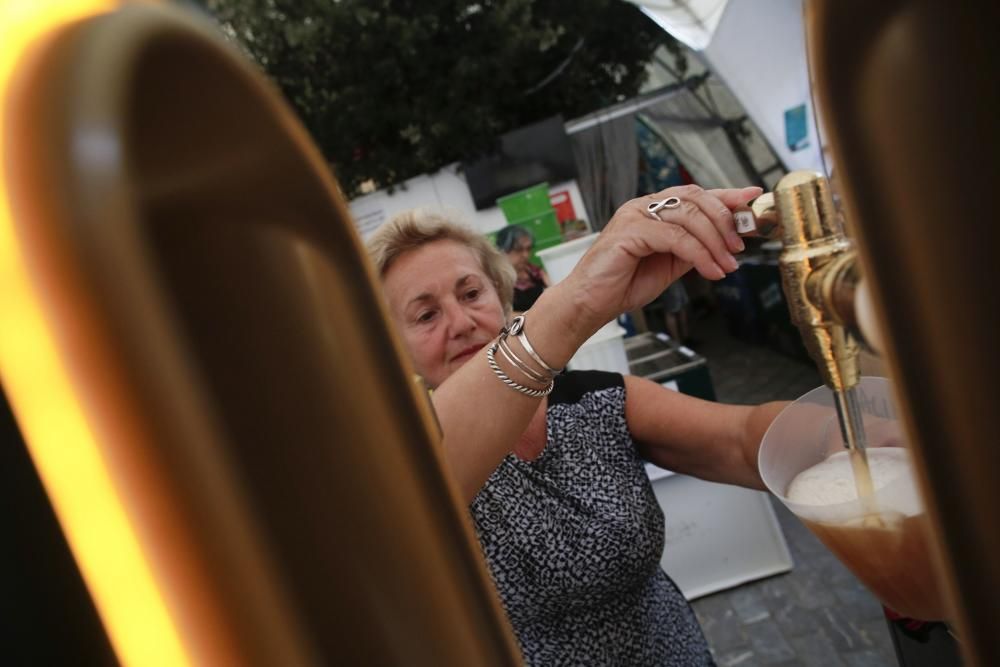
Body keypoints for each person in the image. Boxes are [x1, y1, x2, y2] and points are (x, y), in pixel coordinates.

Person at [366, 185, 787, 666]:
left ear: (503, 298)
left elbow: (743, 438)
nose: (460, 322)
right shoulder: (407, 456)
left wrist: (862, 432)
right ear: (396, 349)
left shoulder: (597, 398)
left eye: (470, 293)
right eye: (425, 314)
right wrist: (580, 300)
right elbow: (417, 497)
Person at [494, 224, 550, 313]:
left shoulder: (536, 273)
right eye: (518, 250)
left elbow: (554, 292)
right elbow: (505, 316)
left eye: (528, 249)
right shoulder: (497, 282)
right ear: (502, 251)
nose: (526, 255)